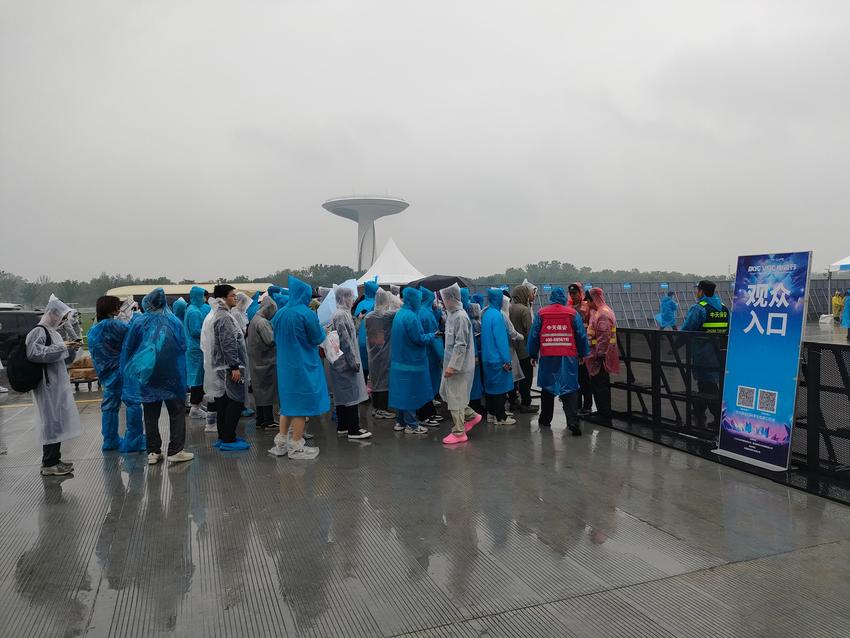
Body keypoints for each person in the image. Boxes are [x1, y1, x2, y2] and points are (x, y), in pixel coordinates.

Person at [121, 288, 193, 466]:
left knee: (151, 412)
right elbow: (183, 346)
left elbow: (128, 348)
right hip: (172, 376)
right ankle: (176, 450)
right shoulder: (174, 322)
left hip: (148, 375)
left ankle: (153, 451)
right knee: (176, 412)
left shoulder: (138, 322)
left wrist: (130, 370)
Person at [268, 276, 324, 459]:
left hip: (285, 366)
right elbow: (317, 337)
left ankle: (282, 442)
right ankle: (296, 446)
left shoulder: (281, 313)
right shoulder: (305, 313)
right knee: (301, 407)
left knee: (287, 406)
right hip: (302, 364)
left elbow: (274, 337)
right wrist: (324, 331)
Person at [26, 295, 82, 476]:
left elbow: (64, 357)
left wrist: (71, 347)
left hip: (57, 384)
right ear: (52, 314)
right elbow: (34, 353)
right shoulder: (39, 331)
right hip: (46, 385)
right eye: (61, 317)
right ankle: (48, 463)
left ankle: (55, 459)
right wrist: (63, 347)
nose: (62, 320)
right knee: (49, 423)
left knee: (57, 422)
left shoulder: (54, 332)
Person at [528, 287, 590, 435]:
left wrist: (532, 354)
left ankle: (545, 419)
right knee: (570, 387)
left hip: (548, 355)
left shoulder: (541, 313)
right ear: (564, 297)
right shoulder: (572, 313)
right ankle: (573, 421)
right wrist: (582, 353)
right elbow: (581, 335)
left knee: (548, 387)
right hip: (567, 356)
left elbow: (534, 334)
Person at [87, 295, 145, 452]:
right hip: (122, 372)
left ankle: (110, 440)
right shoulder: (114, 325)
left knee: (110, 406)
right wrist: (135, 318)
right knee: (132, 404)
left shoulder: (93, 330)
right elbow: (135, 336)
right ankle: (134, 441)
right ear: (112, 308)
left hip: (106, 375)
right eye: (117, 306)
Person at [205, 285, 250, 451]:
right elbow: (228, 343)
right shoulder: (224, 317)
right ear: (223, 298)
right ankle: (229, 438)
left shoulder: (221, 314)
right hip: (228, 367)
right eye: (232, 296)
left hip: (222, 366)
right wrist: (234, 366)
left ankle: (223, 436)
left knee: (224, 402)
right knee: (235, 401)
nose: (235, 298)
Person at [678, 280, 729, 427]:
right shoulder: (724, 309)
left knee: (708, 384)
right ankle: (699, 409)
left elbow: (688, 328)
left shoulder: (699, 308)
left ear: (701, 291)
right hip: (720, 352)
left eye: (697, 290)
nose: (696, 293)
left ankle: (718, 416)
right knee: (706, 382)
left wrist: (675, 345)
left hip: (703, 353)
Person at [389, 287, 436, 435]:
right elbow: (419, 339)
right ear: (413, 299)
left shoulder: (399, 314)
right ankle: (412, 425)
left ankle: (400, 421)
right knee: (410, 393)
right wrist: (432, 335)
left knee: (402, 392)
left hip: (399, 361)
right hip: (411, 362)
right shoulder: (411, 317)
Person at [439, 284, 482, 444]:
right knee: (451, 396)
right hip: (451, 364)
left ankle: (459, 432)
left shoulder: (461, 317)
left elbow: (460, 344)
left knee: (455, 398)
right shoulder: (451, 315)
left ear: (452, 298)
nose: (443, 302)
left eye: (445, 299)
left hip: (459, 367)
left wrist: (453, 366)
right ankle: (472, 416)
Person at [329, 287, 372, 440]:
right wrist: (353, 362)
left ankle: (343, 426)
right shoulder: (341, 315)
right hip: (346, 363)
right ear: (344, 298)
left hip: (340, 363)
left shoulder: (341, 314)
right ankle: (353, 429)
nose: (352, 300)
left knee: (342, 396)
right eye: (350, 297)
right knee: (351, 395)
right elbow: (345, 341)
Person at [480, 289, 516, 425]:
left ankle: (491, 414)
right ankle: (500, 417)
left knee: (490, 388)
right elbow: (501, 341)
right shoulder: (497, 316)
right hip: (497, 359)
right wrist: (506, 360)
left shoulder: (487, 314)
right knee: (500, 390)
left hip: (487, 357)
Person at [585, 287, 620, 426]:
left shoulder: (602, 315)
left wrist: (600, 355)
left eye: (588, 301)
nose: (587, 304)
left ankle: (604, 415)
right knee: (599, 385)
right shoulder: (602, 311)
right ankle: (601, 412)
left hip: (600, 357)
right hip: (600, 355)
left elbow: (604, 337)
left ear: (593, 299)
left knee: (600, 386)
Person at [246, 296, 278, 430]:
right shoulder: (263, 323)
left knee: (260, 392)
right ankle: (268, 421)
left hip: (257, 361)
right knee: (267, 393)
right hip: (266, 361)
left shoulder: (254, 319)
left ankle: (260, 420)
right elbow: (270, 340)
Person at [365, 288, 397, 419]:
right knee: (384, 380)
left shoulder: (369, 315)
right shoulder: (386, 315)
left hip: (373, 351)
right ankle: (382, 409)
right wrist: (395, 298)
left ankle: (376, 408)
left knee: (375, 379)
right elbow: (401, 309)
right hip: (384, 352)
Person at [417, 287, 445, 427]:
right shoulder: (427, 314)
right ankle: (426, 414)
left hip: (424, 354)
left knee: (426, 385)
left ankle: (430, 412)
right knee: (428, 385)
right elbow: (435, 337)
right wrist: (442, 356)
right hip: (430, 355)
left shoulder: (421, 311)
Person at [509, 284, 537, 413]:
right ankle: (526, 403)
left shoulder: (509, 308)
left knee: (515, 377)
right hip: (524, 349)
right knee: (527, 377)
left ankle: (513, 401)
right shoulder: (524, 310)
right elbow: (530, 332)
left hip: (512, 349)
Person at [183, 286, 208, 421]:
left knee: (197, 377)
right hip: (196, 349)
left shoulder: (192, 309)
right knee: (198, 378)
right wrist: (207, 331)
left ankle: (196, 405)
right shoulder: (194, 312)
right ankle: (195, 408)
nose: (205, 299)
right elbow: (195, 331)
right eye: (203, 296)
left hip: (194, 348)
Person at [568, 282, 593, 415]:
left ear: (580, 293)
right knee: (575, 378)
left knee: (585, 379)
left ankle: (587, 405)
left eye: (575, 293)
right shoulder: (569, 307)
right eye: (571, 293)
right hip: (572, 349)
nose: (573, 296)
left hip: (583, 347)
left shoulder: (586, 308)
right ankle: (577, 404)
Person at [354, 279, 379, 383]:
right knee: (375, 368)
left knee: (363, 369)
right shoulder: (377, 304)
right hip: (375, 338)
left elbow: (356, 319)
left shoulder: (360, 304)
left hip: (360, 339)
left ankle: (363, 392)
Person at [467, 302, 485, 414]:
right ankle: (475, 406)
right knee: (475, 383)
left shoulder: (469, 321)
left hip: (474, 355)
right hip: (476, 356)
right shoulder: (475, 323)